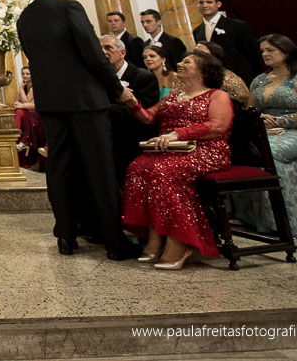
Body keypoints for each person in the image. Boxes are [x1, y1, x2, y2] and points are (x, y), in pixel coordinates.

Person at [15, 0, 141, 260]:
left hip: (50, 101)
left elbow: (37, 59)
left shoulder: (25, 17)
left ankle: (67, 236)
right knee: (99, 168)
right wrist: (117, 91)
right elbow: (94, 55)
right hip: (84, 99)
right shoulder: (70, 7)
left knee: (60, 167)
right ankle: (114, 241)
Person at [121, 51, 233, 270]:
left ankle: (180, 240)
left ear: (203, 71)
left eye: (187, 62)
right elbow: (148, 117)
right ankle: (156, 236)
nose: (180, 64)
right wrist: (132, 102)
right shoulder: (174, 95)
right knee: (137, 167)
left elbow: (217, 126)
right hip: (170, 150)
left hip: (205, 149)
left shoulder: (216, 95)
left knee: (164, 172)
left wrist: (177, 134)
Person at [231, 34, 297, 239]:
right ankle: (253, 217)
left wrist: (281, 121)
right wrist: (260, 117)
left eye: (270, 50)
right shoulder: (260, 79)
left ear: (287, 51)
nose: (265, 54)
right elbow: (252, 110)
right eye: (262, 50)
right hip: (272, 133)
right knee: (246, 149)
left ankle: (288, 221)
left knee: (270, 151)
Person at [100, 34, 160, 187]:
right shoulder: (98, 79)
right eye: (99, 49)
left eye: (108, 48)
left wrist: (101, 107)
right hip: (106, 141)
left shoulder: (143, 77)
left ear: (122, 53)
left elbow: (146, 114)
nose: (103, 52)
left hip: (133, 142)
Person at [192, 0, 262, 81]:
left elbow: (253, 54)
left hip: (241, 78)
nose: (205, 5)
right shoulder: (197, 31)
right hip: (215, 80)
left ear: (218, 4)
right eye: (201, 2)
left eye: (209, 2)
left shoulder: (238, 26)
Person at [194, 41, 251, 106]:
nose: (194, 57)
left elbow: (243, 100)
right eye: (195, 52)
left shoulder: (228, 79)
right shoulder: (185, 76)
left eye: (201, 54)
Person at [13, 67, 45, 170]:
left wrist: (22, 104)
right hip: (27, 114)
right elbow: (19, 102)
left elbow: (34, 105)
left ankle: (23, 142)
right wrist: (22, 90)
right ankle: (16, 134)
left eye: (28, 74)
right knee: (18, 111)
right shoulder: (23, 86)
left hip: (36, 116)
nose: (25, 76)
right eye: (23, 74)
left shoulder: (36, 87)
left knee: (28, 113)